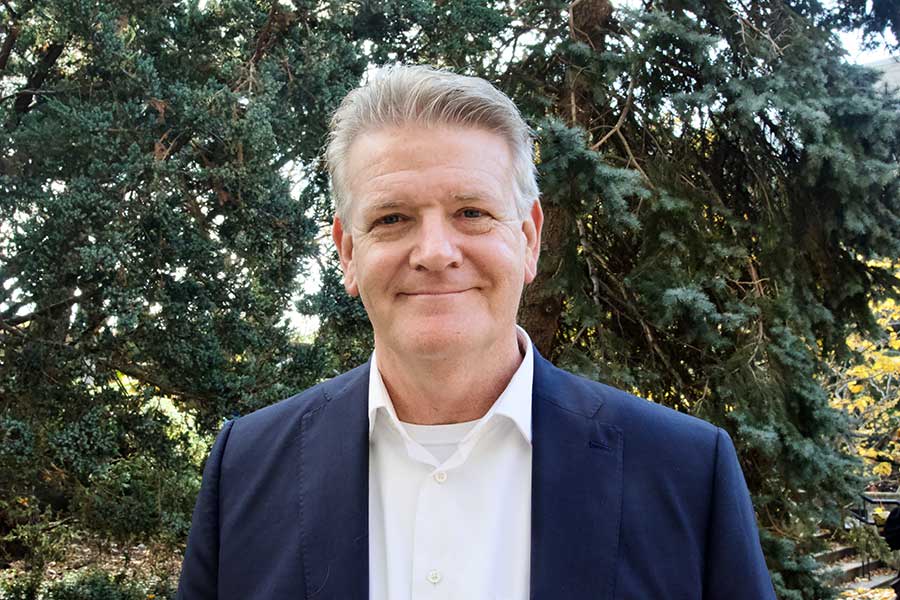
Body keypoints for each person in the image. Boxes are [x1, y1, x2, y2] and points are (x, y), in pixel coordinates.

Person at [176, 65, 776, 599]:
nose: (435, 252)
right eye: (392, 218)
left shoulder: (686, 473)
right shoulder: (245, 470)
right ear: (348, 253)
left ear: (529, 237)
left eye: (472, 213)